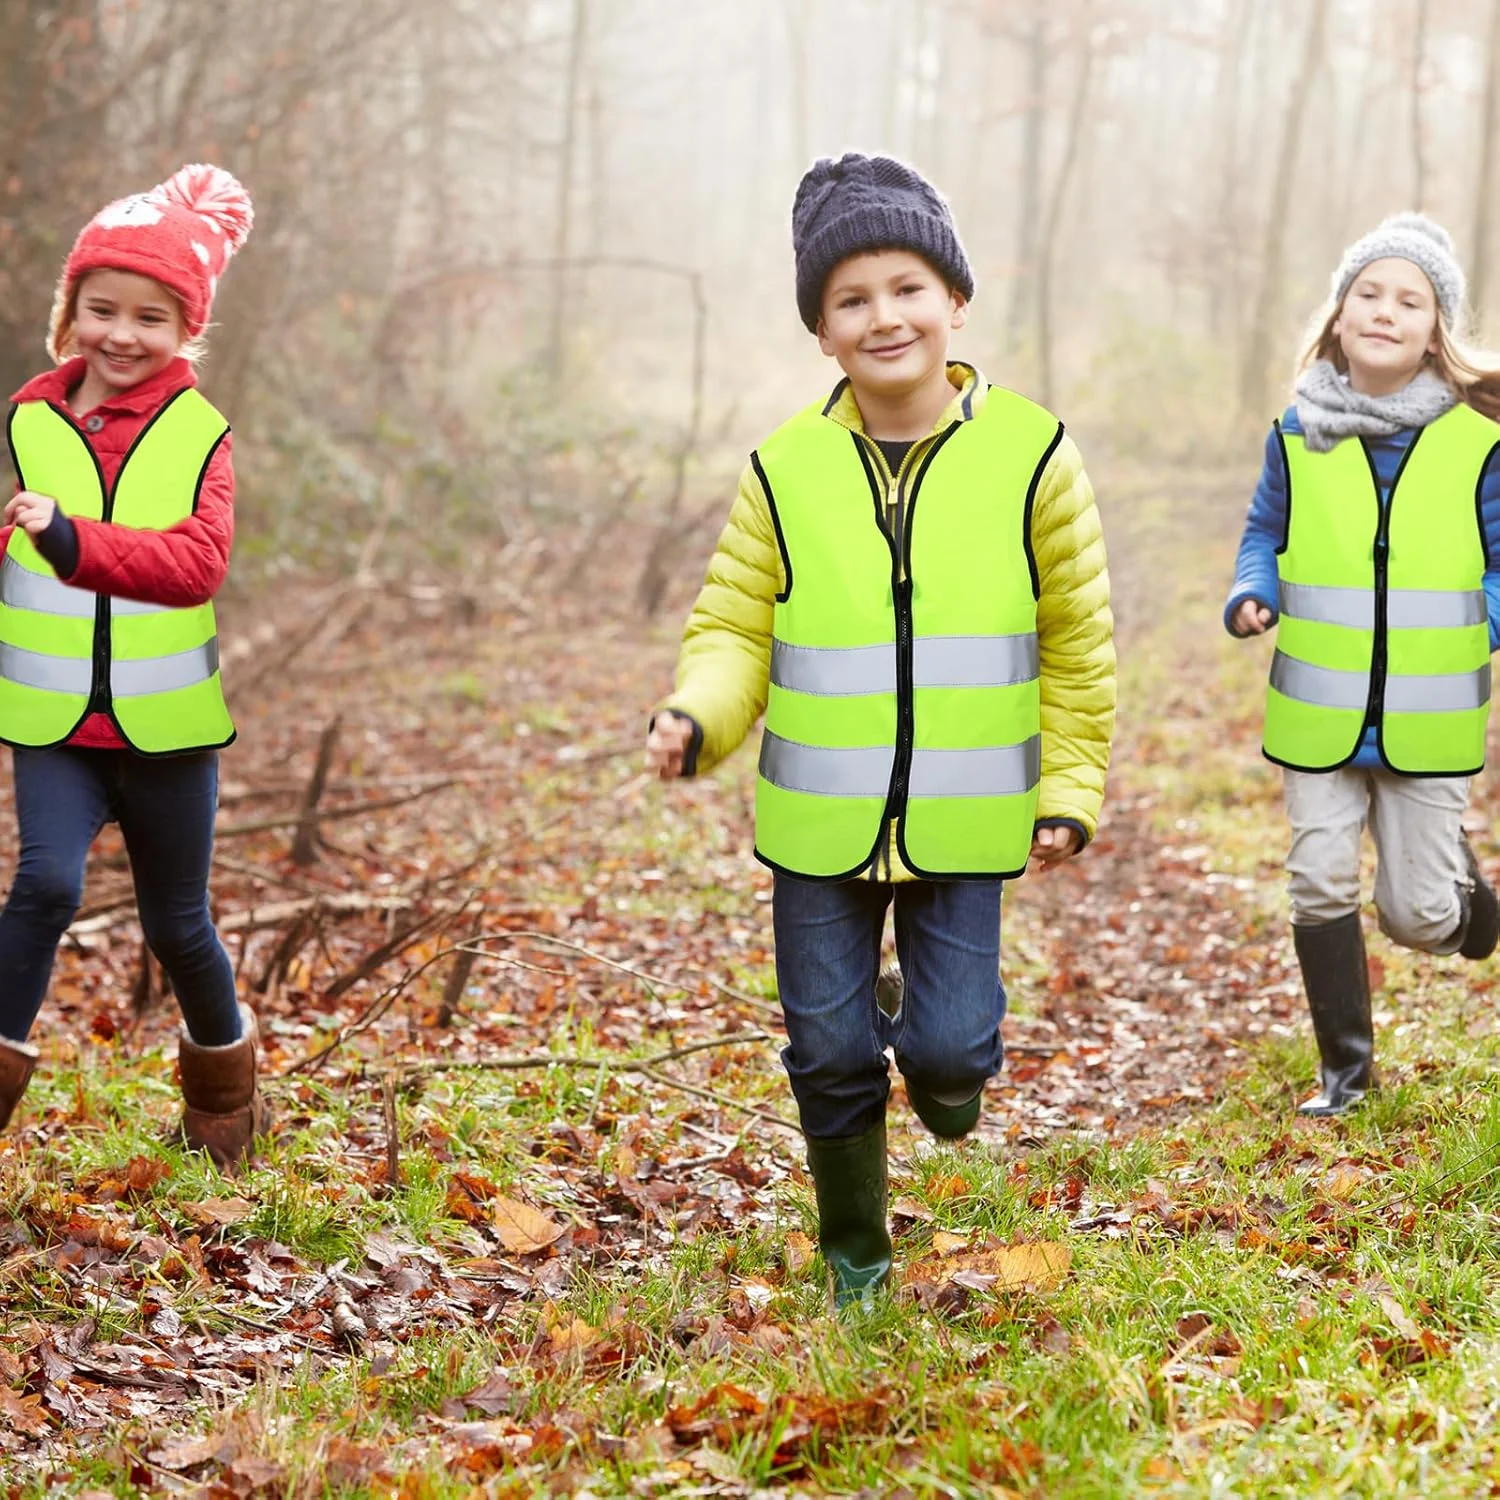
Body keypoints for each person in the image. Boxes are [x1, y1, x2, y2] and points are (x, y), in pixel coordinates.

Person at [646, 153, 1115, 1309]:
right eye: (849, 298)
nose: (883, 316)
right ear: (821, 331)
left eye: (906, 286)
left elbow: (1080, 643)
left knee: (953, 1058)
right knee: (830, 1054)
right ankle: (855, 1251)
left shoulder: (1034, 457)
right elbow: (732, 628)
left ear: (955, 300)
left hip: (967, 821)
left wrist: (1069, 787)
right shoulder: (784, 469)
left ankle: (943, 1066)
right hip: (819, 825)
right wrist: (696, 715)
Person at [0, 164, 267, 1168]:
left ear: (185, 331)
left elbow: (198, 563)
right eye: (101, 307)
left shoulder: (200, 435)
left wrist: (75, 541)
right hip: (57, 724)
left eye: (150, 317)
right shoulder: (32, 419)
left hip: (164, 734)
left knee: (179, 926)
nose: (121, 333)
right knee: (44, 889)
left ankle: (225, 1106)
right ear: (68, 312)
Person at [1225, 212, 1500, 1118]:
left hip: (1430, 716)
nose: (1385, 311)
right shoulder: (1297, 431)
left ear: (1435, 331)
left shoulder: (1476, 444)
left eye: (1408, 300)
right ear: (1339, 316)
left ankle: (1460, 892)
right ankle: (1345, 1072)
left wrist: (1481, 626)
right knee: (1315, 879)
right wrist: (1250, 591)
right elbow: (1264, 531)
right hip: (1319, 709)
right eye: (1368, 294)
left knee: (1417, 920)